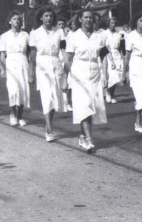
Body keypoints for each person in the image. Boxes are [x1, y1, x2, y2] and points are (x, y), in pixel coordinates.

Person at [64, 10, 110, 152]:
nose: (88, 20)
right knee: (83, 104)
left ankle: (83, 136)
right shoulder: (74, 37)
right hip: (79, 72)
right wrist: (68, 77)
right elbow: (67, 59)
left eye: (91, 18)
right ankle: (89, 139)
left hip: (95, 73)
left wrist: (105, 75)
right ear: (80, 19)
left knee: (92, 106)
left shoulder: (99, 36)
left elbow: (103, 57)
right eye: (85, 17)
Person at [29, 8, 66, 141]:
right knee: (46, 96)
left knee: (55, 97)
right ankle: (49, 129)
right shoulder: (35, 33)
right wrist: (31, 72)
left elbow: (63, 50)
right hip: (42, 67)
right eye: (46, 16)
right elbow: (32, 54)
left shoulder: (59, 32)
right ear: (41, 18)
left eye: (51, 16)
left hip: (56, 65)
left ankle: (48, 124)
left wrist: (66, 70)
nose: (49, 18)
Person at [0, 12, 30, 126]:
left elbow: (29, 51)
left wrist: (30, 66)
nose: (17, 21)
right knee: (13, 90)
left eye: (18, 19)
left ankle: (20, 116)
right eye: (14, 19)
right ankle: (12, 114)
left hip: (22, 62)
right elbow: (2, 53)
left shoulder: (25, 35)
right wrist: (2, 67)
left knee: (22, 89)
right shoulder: (5, 36)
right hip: (10, 63)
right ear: (10, 21)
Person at [105, 16, 124, 103]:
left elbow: (120, 48)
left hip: (117, 55)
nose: (113, 25)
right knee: (111, 75)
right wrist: (111, 59)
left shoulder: (118, 34)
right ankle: (108, 93)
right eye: (111, 23)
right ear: (108, 23)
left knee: (117, 76)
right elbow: (105, 47)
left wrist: (121, 57)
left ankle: (112, 95)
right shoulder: (105, 33)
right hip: (108, 55)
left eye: (114, 23)